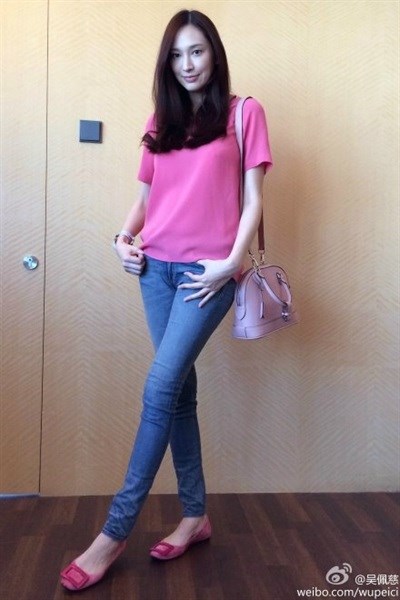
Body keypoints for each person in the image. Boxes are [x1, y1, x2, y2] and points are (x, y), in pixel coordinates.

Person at [60, 8, 272, 591]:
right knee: (178, 393)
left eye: (197, 51)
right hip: (154, 270)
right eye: (177, 55)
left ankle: (113, 532)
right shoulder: (161, 121)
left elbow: (253, 199)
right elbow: (145, 199)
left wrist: (230, 263)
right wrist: (121, 240)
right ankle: (195, 516)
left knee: (158, 388)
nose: (188, 64)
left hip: (206, 276)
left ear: (215, 53)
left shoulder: (244, 113)